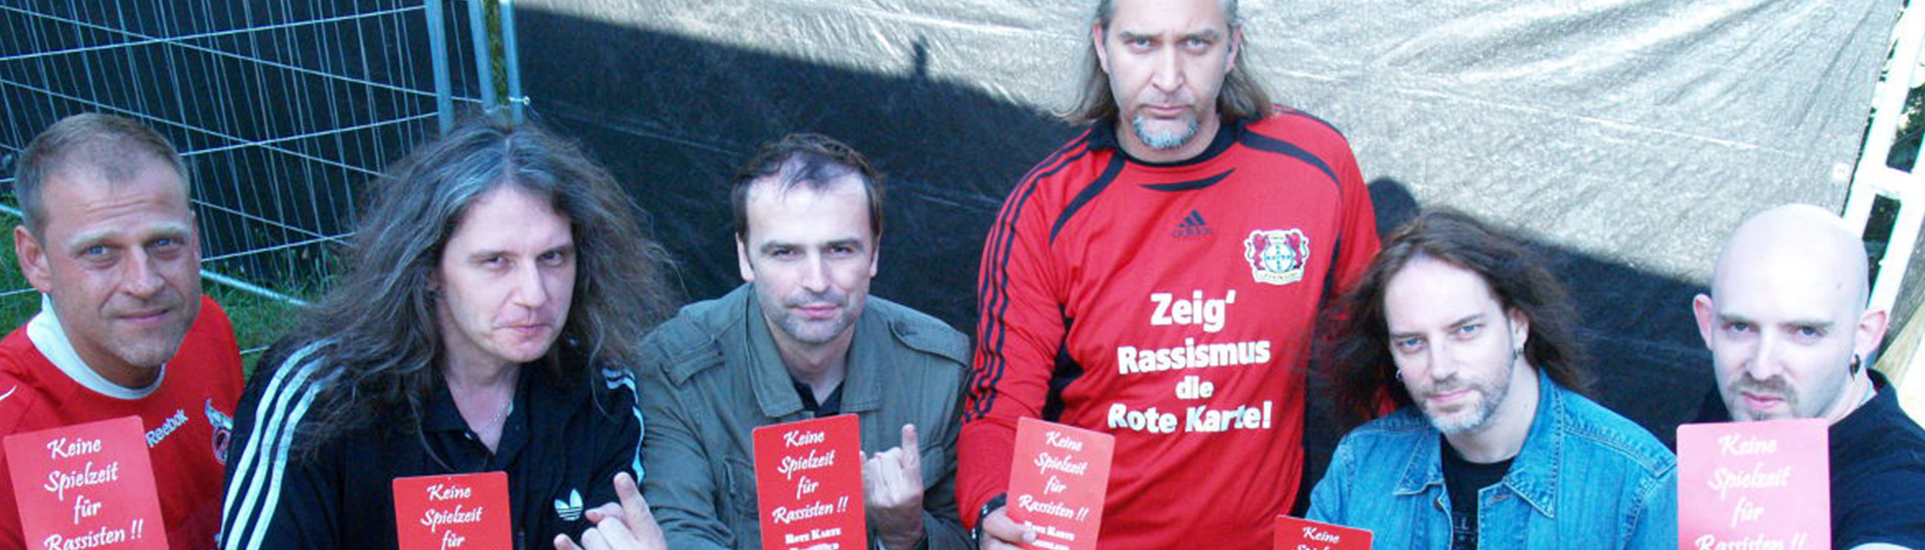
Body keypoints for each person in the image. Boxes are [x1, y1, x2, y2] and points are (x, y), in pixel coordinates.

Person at [957, 0, 1381, 547]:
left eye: (1195, 43)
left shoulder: (1315, 164)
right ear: (1102, 46)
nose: (1168, 78)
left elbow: (1373, 358)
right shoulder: (1046, 206)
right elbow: (1000, 404)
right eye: (1142, 43)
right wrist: (992, 506)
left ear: (1232, 47)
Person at [217, 121, 678, 550]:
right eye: (495, 261)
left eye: (553, 257)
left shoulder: (600, 392)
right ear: (429, 269)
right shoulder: (320, 393)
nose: (535, 295)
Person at [638, 133, 970, 550]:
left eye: (840, 250)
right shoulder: (676, 367)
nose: (816, 281)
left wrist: (907, 535)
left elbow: (972, 535)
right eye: (786, 253)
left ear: (873, 253)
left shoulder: (940, 369)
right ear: (745, 257)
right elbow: (681, 534)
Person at [1306, 210, 1675, 549]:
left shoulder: (1637, 484)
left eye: (1465, 330)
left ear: (1518, 325)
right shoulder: (1361, 463)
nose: (1440, 368)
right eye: (1412, 342)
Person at [0, 113, 243, 550]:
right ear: (35, 259)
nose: (144, 283)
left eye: (164, 243)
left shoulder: (205, 327)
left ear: (194, 240)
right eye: (99, 251)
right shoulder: (11, 426)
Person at [1691, 204, 1925, 549]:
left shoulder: (1901, 484)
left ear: (1864, 335)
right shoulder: (1758, 399)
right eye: (1740, 327)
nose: (1762, 368)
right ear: (1708, 323)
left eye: (1805, 332)